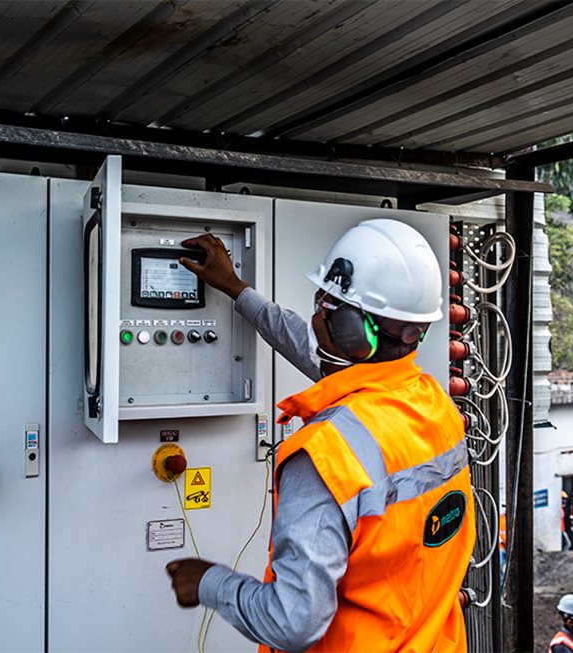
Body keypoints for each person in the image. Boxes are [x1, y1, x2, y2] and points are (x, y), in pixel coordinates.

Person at [165, 220, 476, 652]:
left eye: (325, 305)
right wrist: (238, 290)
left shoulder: (327, 458)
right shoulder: (433, 404)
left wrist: (208, 581)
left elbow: (293, 622)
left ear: (352, 330)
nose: (315, 315)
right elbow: (314, 351)